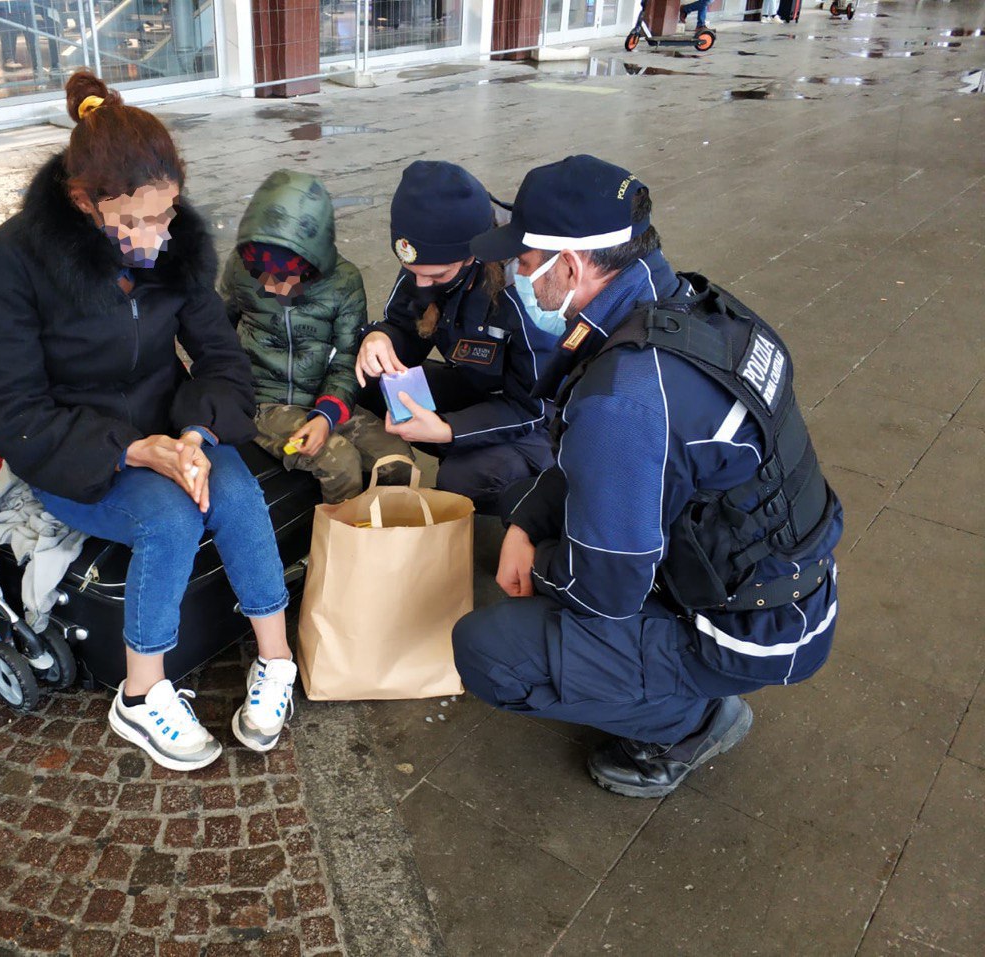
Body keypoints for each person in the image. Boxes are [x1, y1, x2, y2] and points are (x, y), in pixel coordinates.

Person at [452, 156, 842, 798]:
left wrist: (540, 562)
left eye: (523, 263)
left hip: (750, 629)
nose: (517, 277)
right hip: (783, 582)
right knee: (554, 536)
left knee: (489, 651)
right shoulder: (682, 303)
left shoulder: (625, 394)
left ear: (569, 267)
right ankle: (669, 681)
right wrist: (526, 520)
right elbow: (595, 456)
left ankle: (687, 722)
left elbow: (605, 590)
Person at [0, 71, 296, 772]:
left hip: (172, 429)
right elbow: (12, 408)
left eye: (167, 214)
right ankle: (141, 695)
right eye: (135, 223)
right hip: (73, 449)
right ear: (84, 201)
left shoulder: (173, 243)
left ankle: (278, 661)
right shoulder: (13, 260)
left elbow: (220, 359)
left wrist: (195, 435)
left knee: (237, 492)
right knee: (170, 517)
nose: (155, 237)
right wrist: (128, 449)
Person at [355, 161, 559, 515]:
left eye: (436, 276)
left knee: (461, 481)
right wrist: (380, 337)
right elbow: (405, 326)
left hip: (540, 424)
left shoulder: (527, 286)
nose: (420, 285)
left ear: (473, 253)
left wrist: (450, 430)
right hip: (477, 388)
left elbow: (534, 407)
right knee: (370, 375)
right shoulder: (430, 262)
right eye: (411, 272)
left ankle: (547, 500)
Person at [220, 169, 411, 504]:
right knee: (340, 462)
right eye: (260, 275)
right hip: (263, 403)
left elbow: (347, 358)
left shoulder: (345, 282)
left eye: (283, 277)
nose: (269, 287)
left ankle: (387, 540)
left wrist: (326, 415)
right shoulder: (239, 266)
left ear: (313, 262)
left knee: (396, 458)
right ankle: (337, 546)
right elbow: (216, 333)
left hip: (323, 396)